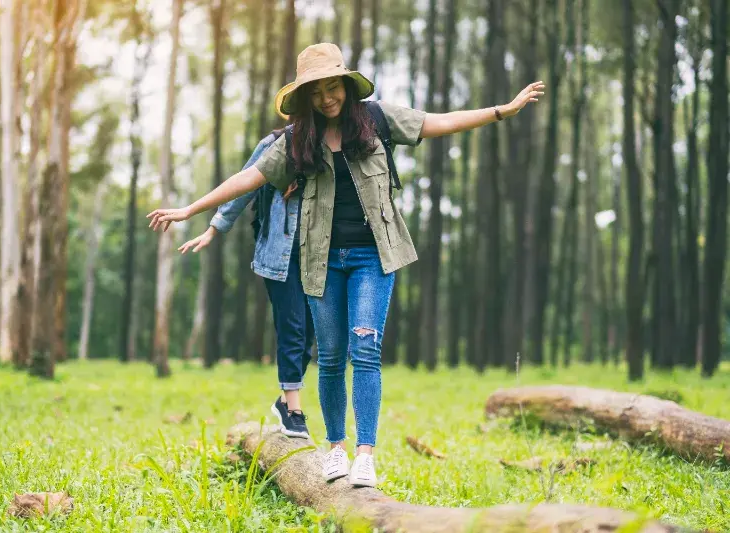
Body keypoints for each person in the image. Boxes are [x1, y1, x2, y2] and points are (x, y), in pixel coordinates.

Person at [148, 42, 544, 487]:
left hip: (373, 257)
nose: (326, 99)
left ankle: (365, 454)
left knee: (366, 351)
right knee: (332, 358)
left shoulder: (376, 119)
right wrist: (189, 210)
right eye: (316, 93)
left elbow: (439, 122)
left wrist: (502, 111)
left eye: (332, 87)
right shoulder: (298, 140)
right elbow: (248, 177)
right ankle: (335, 449)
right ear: (305, 98)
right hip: (321, 262)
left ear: (345, 84)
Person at [177, 84, 315, 439]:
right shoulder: (276, 144)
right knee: (293, 329)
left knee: (313, 336)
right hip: (279, 255)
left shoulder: (334, 146)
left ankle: (285, 402)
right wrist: (213, 228)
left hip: (322, 256)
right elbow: (244, 185)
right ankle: (294, 408)